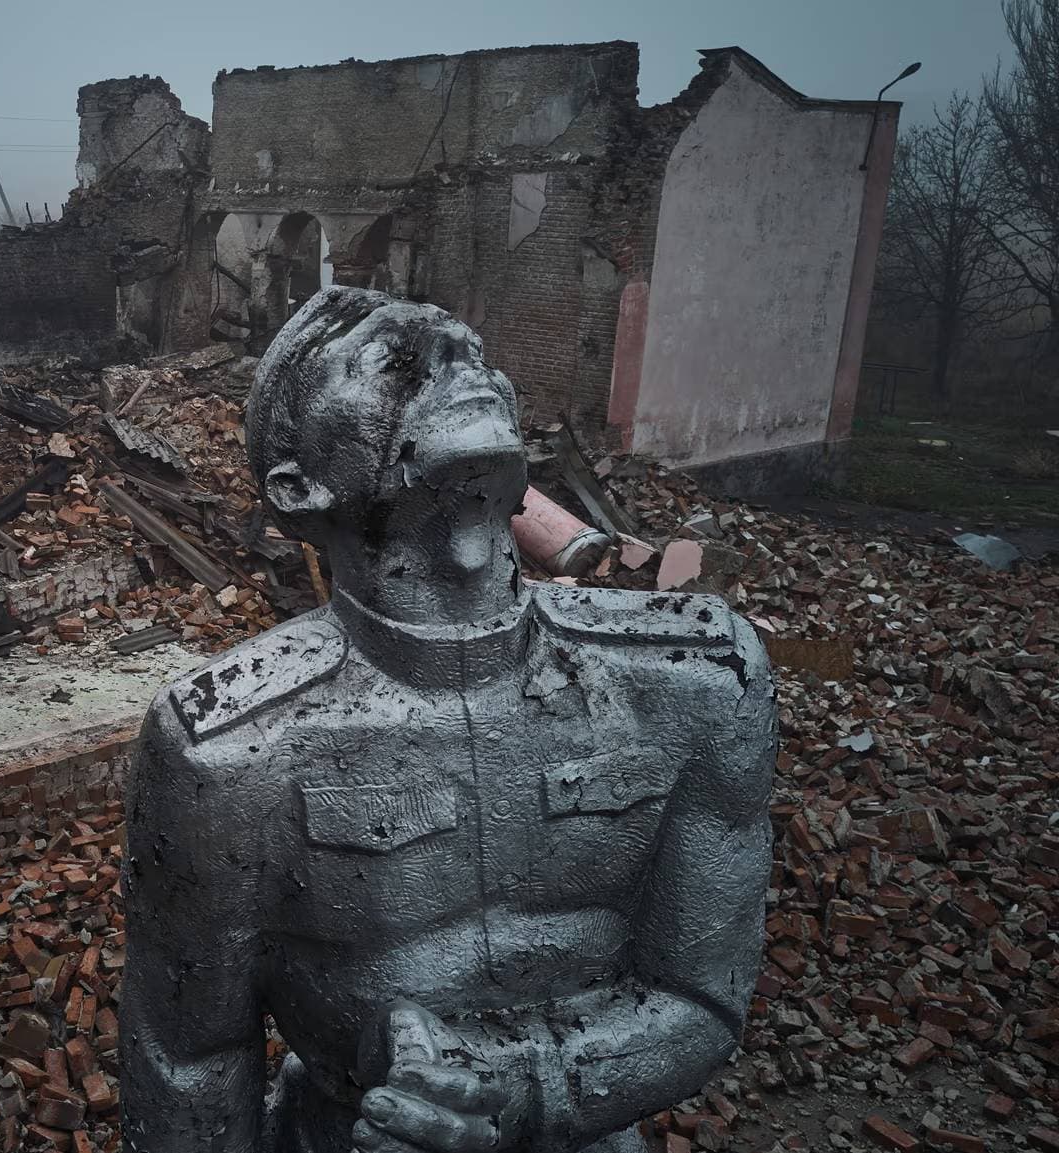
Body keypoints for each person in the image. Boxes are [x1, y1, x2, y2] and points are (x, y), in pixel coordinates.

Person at [120, 286, 776, 1153]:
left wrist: (517, 1085)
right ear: (297, 487)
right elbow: (189, 1061)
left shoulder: (697, 674)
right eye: (390, 362)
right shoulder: (229, 749)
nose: (453, 358)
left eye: (465, 351)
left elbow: (704, 995)